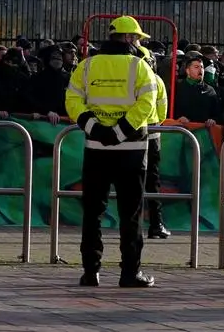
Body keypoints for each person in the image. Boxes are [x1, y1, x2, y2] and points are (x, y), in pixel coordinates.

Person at [65, 16, 158, 288]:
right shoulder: (140, 67)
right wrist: (119, 132)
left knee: (93, 212)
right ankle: (130, 273)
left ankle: (90, 272)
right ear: (129, 38)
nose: (140, 43)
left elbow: (72, 100)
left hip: (96, 149)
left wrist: (96, 129)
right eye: (138, 38)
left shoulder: (87, 65)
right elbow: (147, 104)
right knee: (130, 214)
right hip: (131, 149)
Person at [138, 43, 171, 240]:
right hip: (151, 136)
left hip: (126, 136)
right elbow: (162, 112)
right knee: (152, 182)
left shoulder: (129, 77)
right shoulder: (156, 80)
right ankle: (156, 224)